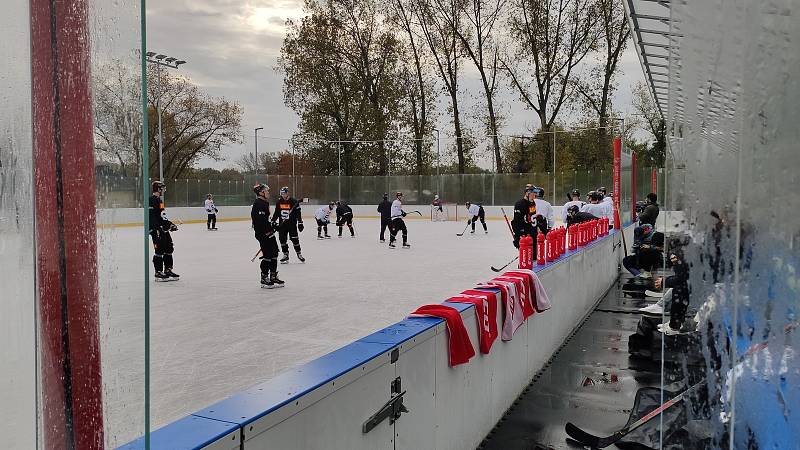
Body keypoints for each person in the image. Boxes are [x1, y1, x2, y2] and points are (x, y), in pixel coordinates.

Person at [251, 183, 284, 288]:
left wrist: (273, 225)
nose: (268, 192)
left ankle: (273, 276)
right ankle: (264, 278)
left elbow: (266, 220)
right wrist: (269, 230)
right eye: (266, 191)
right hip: (263, 234)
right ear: (261, 193)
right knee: (268, 256)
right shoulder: (258, 204)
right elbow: (260, 222)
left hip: (269, 232)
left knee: (274, 253)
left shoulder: (264, 202)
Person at [149, 181, 179, 281]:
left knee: (169, 248)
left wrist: (169, 225)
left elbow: (162, 216)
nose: (163, 190)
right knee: (159, 249)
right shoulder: (151, 200)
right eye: (162, 188)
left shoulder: (160, 201)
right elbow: (152, 217)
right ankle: (158, 272)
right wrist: (156, 228)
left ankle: (168, 270)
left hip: (163, 229)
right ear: (158, 189)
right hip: (156, 229)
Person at [271, 186, 305, 263]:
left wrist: (300, 222)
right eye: (281, 193)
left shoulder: (294, 201)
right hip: (282, 225)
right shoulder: (279, 202)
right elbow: (276, 213)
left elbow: (298, 213)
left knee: (295, 239)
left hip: (292, 225)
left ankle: (299, 254)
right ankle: (285, 254)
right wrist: (273, 221)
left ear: (287, 193)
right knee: (282, 240)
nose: (282, 195)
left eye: (284, 193)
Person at [511, 184, 539, 250]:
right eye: (533, 193)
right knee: (526, 257)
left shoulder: (533, 203)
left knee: (534, 257)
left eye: (535, 193)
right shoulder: (520, 204)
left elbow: (532, 217)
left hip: (533, 234)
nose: (535, 195)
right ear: (527, 193)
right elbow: (516, 222)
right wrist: (519, 236)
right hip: (525, 236)